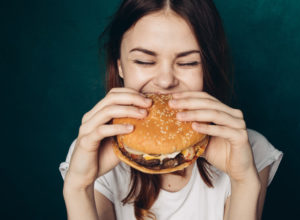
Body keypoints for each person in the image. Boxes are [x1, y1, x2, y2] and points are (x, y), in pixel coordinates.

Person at [59, 0, 283, 219]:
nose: (166, 81)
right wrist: (78, 188)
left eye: (188, 63)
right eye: (145, 61)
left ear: (208, 69)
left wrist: (244, 181)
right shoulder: (93, 150)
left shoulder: (248, 149)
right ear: (120, 66)